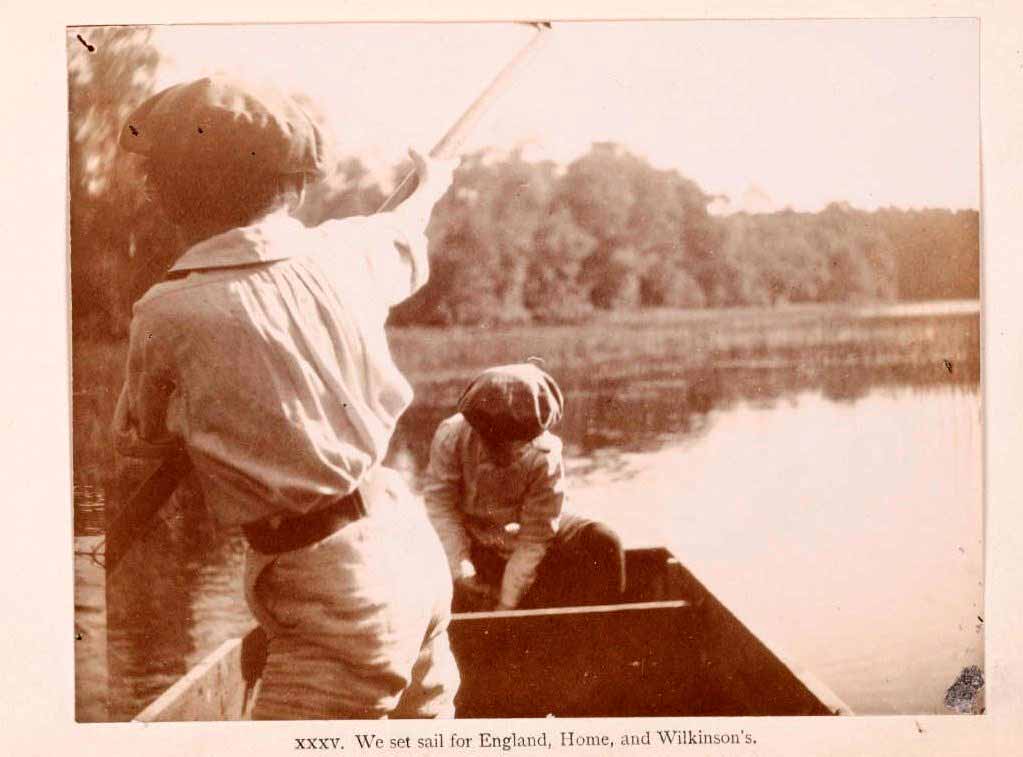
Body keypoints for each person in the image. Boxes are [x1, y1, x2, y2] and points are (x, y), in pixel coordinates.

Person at [112, 76, 459, 719]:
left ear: (168, 193)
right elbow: (403, 226)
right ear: (296, 180)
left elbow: (144, 438)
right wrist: (432, 182)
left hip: (333, 594)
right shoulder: (344, 251)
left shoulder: (166, 311)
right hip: (409, 549)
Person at [422, 363, 626, 612]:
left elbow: (536, 535)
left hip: (528, 529)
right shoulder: (451, 436)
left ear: (533, 435)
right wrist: (461, 571)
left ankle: (599, 642)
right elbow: (441, 508)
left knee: (604, 541)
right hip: (471, 531)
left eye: (513, 446)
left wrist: (506, 607)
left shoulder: (545, 456)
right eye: (492, 443)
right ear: (477, 429)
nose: (502, 454)